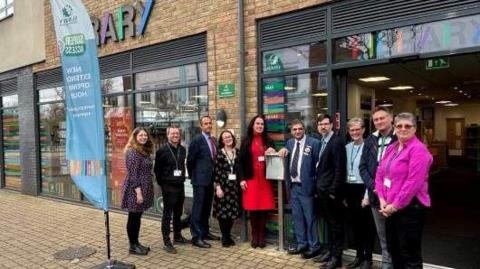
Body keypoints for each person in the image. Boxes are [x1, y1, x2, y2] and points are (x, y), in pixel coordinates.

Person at [375, 112, 432, 269]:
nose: (403, 129)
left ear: (415, 128)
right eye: (399, 126)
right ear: (394, 127)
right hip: (390, 207)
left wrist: (394, 206)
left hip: (410, 208)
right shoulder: (392, 148)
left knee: (410, 255)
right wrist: (382, 199)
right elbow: (379, 175)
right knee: (395, 251)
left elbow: (413, 183)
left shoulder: (418, 150)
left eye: (408, 126)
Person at [359, 107, 397, 269]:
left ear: (391, 118)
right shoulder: (370, 140)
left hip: (396, 198)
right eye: (376, 119)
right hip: (375, 196)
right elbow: (363, 167)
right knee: (383, 235)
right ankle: (387, 264)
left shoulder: (400, 137)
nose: (379, 121)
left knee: (397, 234)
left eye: (382, 118)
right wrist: (374, 186)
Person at [278, 119, 322, 259]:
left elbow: (318, 166)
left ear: (304, 130)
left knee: (310, 218)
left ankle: (314, 246)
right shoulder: (290, 143)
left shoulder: (314, 143)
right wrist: (283, 149)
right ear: (291, 131)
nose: (297, 131)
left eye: (300, 129)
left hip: (307, 188)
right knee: (297, 218)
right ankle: (302, 244)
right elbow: (286, 156)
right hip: (293, 187)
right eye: (294, 129)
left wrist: (315, 187)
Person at [239, 115, 277, 248]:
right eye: (257, 123)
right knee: (253, 210)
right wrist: (242, 179)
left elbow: (275, 158)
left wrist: (273, 151)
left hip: (265, 180)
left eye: (262, 124)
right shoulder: (246, 141)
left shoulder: (269, 140)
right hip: (251, 179)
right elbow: (240, 163)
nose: (260, 126)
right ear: (252, 125)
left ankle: (262, 236)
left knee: (263, 210)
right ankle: (254, 236)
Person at [314, 114, 347, 269]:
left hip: (331, 193)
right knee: (329, 224)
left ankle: (336, 258)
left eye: (326, 124)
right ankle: (330, 252)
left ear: (332, 125)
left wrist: (333, 191)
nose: (323, 127)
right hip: (322, 191)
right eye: (320, 124)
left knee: (336, 225)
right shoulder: (322, 141)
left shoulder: (336, 142)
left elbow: (340, 169)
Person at [344, 118, 375, 269]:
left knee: (367, 226)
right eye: (352, 130)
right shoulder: (347, 147)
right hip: (350, 190)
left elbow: (372, 173)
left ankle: (368, 259)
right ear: (349, 132)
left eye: (358, 129)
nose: (355, 132)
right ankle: (358, 256)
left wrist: (368, 196)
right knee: (355, 226)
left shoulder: (368, 147)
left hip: (364, 189)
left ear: (363, 130)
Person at [154, 126, 190, 254]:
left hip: (180, 186)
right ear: (167, 135)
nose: (175, 135)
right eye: (172, 133)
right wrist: (163, 184)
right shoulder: (162, 151)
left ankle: (178, 236)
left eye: (177, 133)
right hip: (168, 187)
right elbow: (157, 171)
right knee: (167, 215)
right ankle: (166, 241)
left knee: (178, 213)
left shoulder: (182, 149)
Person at [187, 115, 220, 248]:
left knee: (207, 207)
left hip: (210, 179)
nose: (208, 126)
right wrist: (193, 176)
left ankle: (205, 232)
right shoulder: (197, 140)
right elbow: (190, 160)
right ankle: (196, 236)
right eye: (205, 124)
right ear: (201, 126)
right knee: (198, 208)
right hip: (199, 180)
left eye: (210, 123)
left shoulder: (213, 140)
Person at [121, 127, 154, 255]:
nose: (143, 137)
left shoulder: (143, 151)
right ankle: (132, 246)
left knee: (137, 216)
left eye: (145, 135)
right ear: (135, 137)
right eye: (140, 135)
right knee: (133, 217)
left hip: (143, 187)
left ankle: (136, 242)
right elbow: (133, 175)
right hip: (135, 189)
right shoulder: (132, 152)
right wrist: (138, 193)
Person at [213, 130, 241, 247]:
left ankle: (228, 235)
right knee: (223, 214)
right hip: (223, 187)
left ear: (233, 138)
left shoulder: (237, 152)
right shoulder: (219, 154)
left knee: (231, 213)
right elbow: (216, 172)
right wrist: (218, 187)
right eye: (225, 137)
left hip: (234, 188)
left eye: (229, 137)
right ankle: (225, 237)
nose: (228, 139)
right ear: (222, 140)